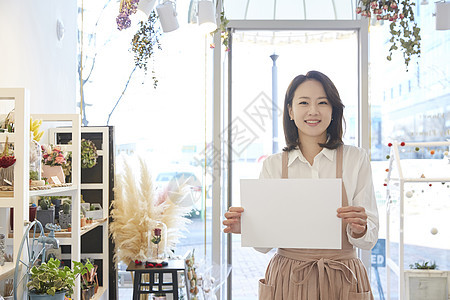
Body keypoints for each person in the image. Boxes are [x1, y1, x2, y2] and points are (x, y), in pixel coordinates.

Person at [223, 70, 379, 300]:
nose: (313, 111)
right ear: (290, 111)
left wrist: (360, 228)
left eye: (322, 102)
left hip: (343, 278)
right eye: (304, 102)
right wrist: (247, 229)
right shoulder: (273, 165)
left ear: (334, 110)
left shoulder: (356, 159)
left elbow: (369, 240)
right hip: (288, 277)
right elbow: (265, 245)